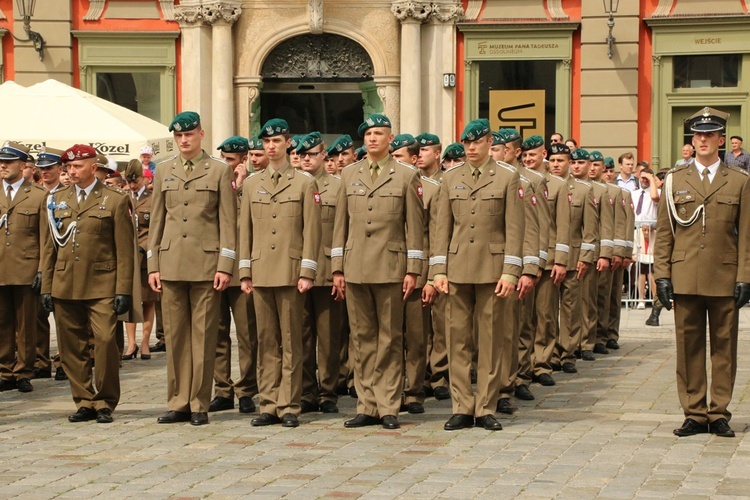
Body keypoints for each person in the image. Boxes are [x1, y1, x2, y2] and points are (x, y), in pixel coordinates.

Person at [655, 106, 750, 438]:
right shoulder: (674, 181)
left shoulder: (739, 181)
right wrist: (661, 274)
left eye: (710, 135)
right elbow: (665, 232)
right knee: (688, 345)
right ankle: (694, 412)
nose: (703, 140)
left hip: (724, 276)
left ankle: (718, 411)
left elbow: (747, 234)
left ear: (721, 140)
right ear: (692, 142)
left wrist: (745, 277)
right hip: (685, 275)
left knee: (724, 347)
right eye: (698, 136)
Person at [331, 113, 424, 430]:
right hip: (355, 266)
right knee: (361, 339)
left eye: (379, 133)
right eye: (368, 133)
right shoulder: (348, 174)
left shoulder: (406, 176)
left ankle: (388, 405)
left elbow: (415, 229)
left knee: (390, 338)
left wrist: (413, 269)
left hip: (390, 266)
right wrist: (336, 268)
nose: (372, 138)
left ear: (389, 137)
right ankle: (366, 404)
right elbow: (339, 227)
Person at [432, 119, 524, 432]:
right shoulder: (450, 177)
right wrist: (438, 270)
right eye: (466, 143)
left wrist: (511, 272)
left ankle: (485, 406)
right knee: (457, 339)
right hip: (457, 269)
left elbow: (514, 228)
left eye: (477, 143)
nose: (471, 148)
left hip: (492, 269)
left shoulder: (507, 177)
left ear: (488, 143)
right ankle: (461, 406)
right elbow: (441, 228)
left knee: (491, 339)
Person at [148, 111, 237, 426]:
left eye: (189, 134)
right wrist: (153, 265)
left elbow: (228, 223)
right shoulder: (163, 171)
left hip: (206, 264)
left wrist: (226, 265)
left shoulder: (218, 171)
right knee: (174, 337)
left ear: (201, 134)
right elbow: (156, 221)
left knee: (203, 336)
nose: (184, 140)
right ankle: (178, 401)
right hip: (171, 264)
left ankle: (199, 403)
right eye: (178, 136)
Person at [40, 144, 135, 423]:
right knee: (71, 347)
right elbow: (50, 248)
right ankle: (83, 399)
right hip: (64, 283)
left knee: (105, 342)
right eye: (68, 167)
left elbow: (125, 250)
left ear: (93, 167)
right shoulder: (57, 199)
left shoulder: (115, 199)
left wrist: (123, 289)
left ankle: (105, 400)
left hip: (102, 283)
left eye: (77, 166)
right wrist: (46, 286)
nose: (71, 171)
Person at [239, 119, 321, 428]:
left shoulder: (303, 182)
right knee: (266, 340)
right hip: (261, 270)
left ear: (288, 143)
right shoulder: (251, 184)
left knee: (291, 340)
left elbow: (311, 231)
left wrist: (307, 270)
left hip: (289, 270)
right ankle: (269, 403)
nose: (271, 146)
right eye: (266, 142)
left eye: (277, 141)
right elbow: (243, 231)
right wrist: (244, 271)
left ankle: (289, 404)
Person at [209, 136, 259, 415]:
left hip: (244, 268)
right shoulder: (216, 182)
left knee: (247, 333)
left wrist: (239, 186)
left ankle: (247, 389)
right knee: (217, 332)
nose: (226, 164)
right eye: (224, 159)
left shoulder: (254, 185)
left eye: (231, 160)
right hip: (216, 265)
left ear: (243, 160)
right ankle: (222, 389)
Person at [296, 132, 344, 414]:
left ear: (324, 156)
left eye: (311, 154)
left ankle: (328, 391)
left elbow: (341, 231)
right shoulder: (294, 184)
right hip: (298, 269)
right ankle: (306, 391)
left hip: (326, 270)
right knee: (301, 335)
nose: (306, 158)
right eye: (302, 154)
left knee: (328, 336)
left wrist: (340, 270)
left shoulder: (338, 187)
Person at [0, 142, 48, 394]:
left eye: (9, 161)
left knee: (27, 325)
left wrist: (42, 269)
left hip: (27, 267)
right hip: (0, 267)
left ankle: (23, 372)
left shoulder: (38, 195)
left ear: (22, 164)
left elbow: (44, 237)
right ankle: (4, 370)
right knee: (2, 323)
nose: (3, 165)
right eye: (1, 162)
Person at [33, 147, 68, 382]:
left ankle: (65, 362)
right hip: (38, 260)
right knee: (38, 315)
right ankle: (40, 361)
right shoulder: (33, 194)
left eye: (49, 167)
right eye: (42, 168)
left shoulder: (68, 194)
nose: (45, 171)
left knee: (65, 317)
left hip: (64, 261)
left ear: (59, 169)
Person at [122, 159, 157, 361]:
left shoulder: (153, 199)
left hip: (145, 257)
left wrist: (144, 246)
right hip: (128, 256)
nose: (133, 185)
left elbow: (154, 228)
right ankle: (130, 343)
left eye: (136, 181)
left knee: (148, 301)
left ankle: (144, 342)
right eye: (130, 181)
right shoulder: (123, 197)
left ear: (144, 178)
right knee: (128, 300)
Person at [632, 168, 661, 312]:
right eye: (642, 178)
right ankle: (641, 299)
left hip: (652, 231)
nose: (644, 181)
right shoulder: (634, 193)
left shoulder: (655, 192)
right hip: (638, 230)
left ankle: (655, 299)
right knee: (641, 269)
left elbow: (655, 198)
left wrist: (651, 179)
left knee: (652, 269)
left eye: (647, 178)